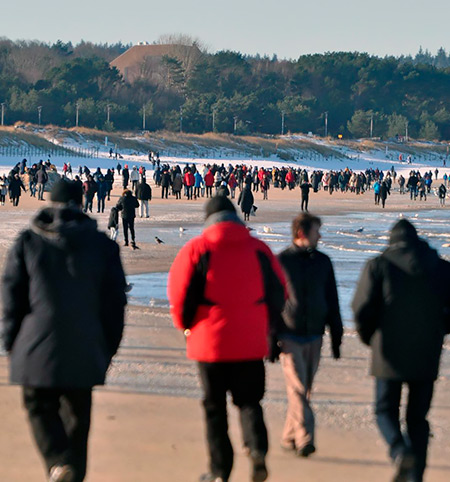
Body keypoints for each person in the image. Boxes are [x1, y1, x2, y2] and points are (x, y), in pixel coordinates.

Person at [1, 179, 127, 482]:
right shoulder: (103, 246)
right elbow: (115, 306)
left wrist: (12, 342)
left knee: (38, 405)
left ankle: (57, 463)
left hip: (35, 342)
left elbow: (11, 298)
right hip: (86, 344)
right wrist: (108, 348)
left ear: (48, 202)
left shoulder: (27, 242)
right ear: (82, 203)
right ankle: (67, 469)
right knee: (78, 418)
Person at [167, 196, 287, 482]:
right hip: (250, 341)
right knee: (249, 402)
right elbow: (279, 293)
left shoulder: (197, 248)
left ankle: (220, 472)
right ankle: (257, 452)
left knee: (215, 409)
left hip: (209, 344)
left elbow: (180, 293)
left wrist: (184, 326)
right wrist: (269, 327)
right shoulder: (259, 249)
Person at [352, 219, 450, 482]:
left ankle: (398, 450)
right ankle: (416, 475)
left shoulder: (379, 266)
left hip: (388, 352)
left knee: (385, 410)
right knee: (418, 418)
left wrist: (371, 338)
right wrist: (439, 331)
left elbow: (361, 309)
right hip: (427, 353)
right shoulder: (442, 268)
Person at [276, 213, 343, 457]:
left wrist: (336, 337)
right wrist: (272, 338)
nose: (320, 236)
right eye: (317, 231)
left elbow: (332, 300)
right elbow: (273, 303)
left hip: (316, 335)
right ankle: (306, 439)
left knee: (303, 391)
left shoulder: (324, 262)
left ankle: (288, 436)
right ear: (303, 233)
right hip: (289, 335)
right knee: (297, 388)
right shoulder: (282, 261)